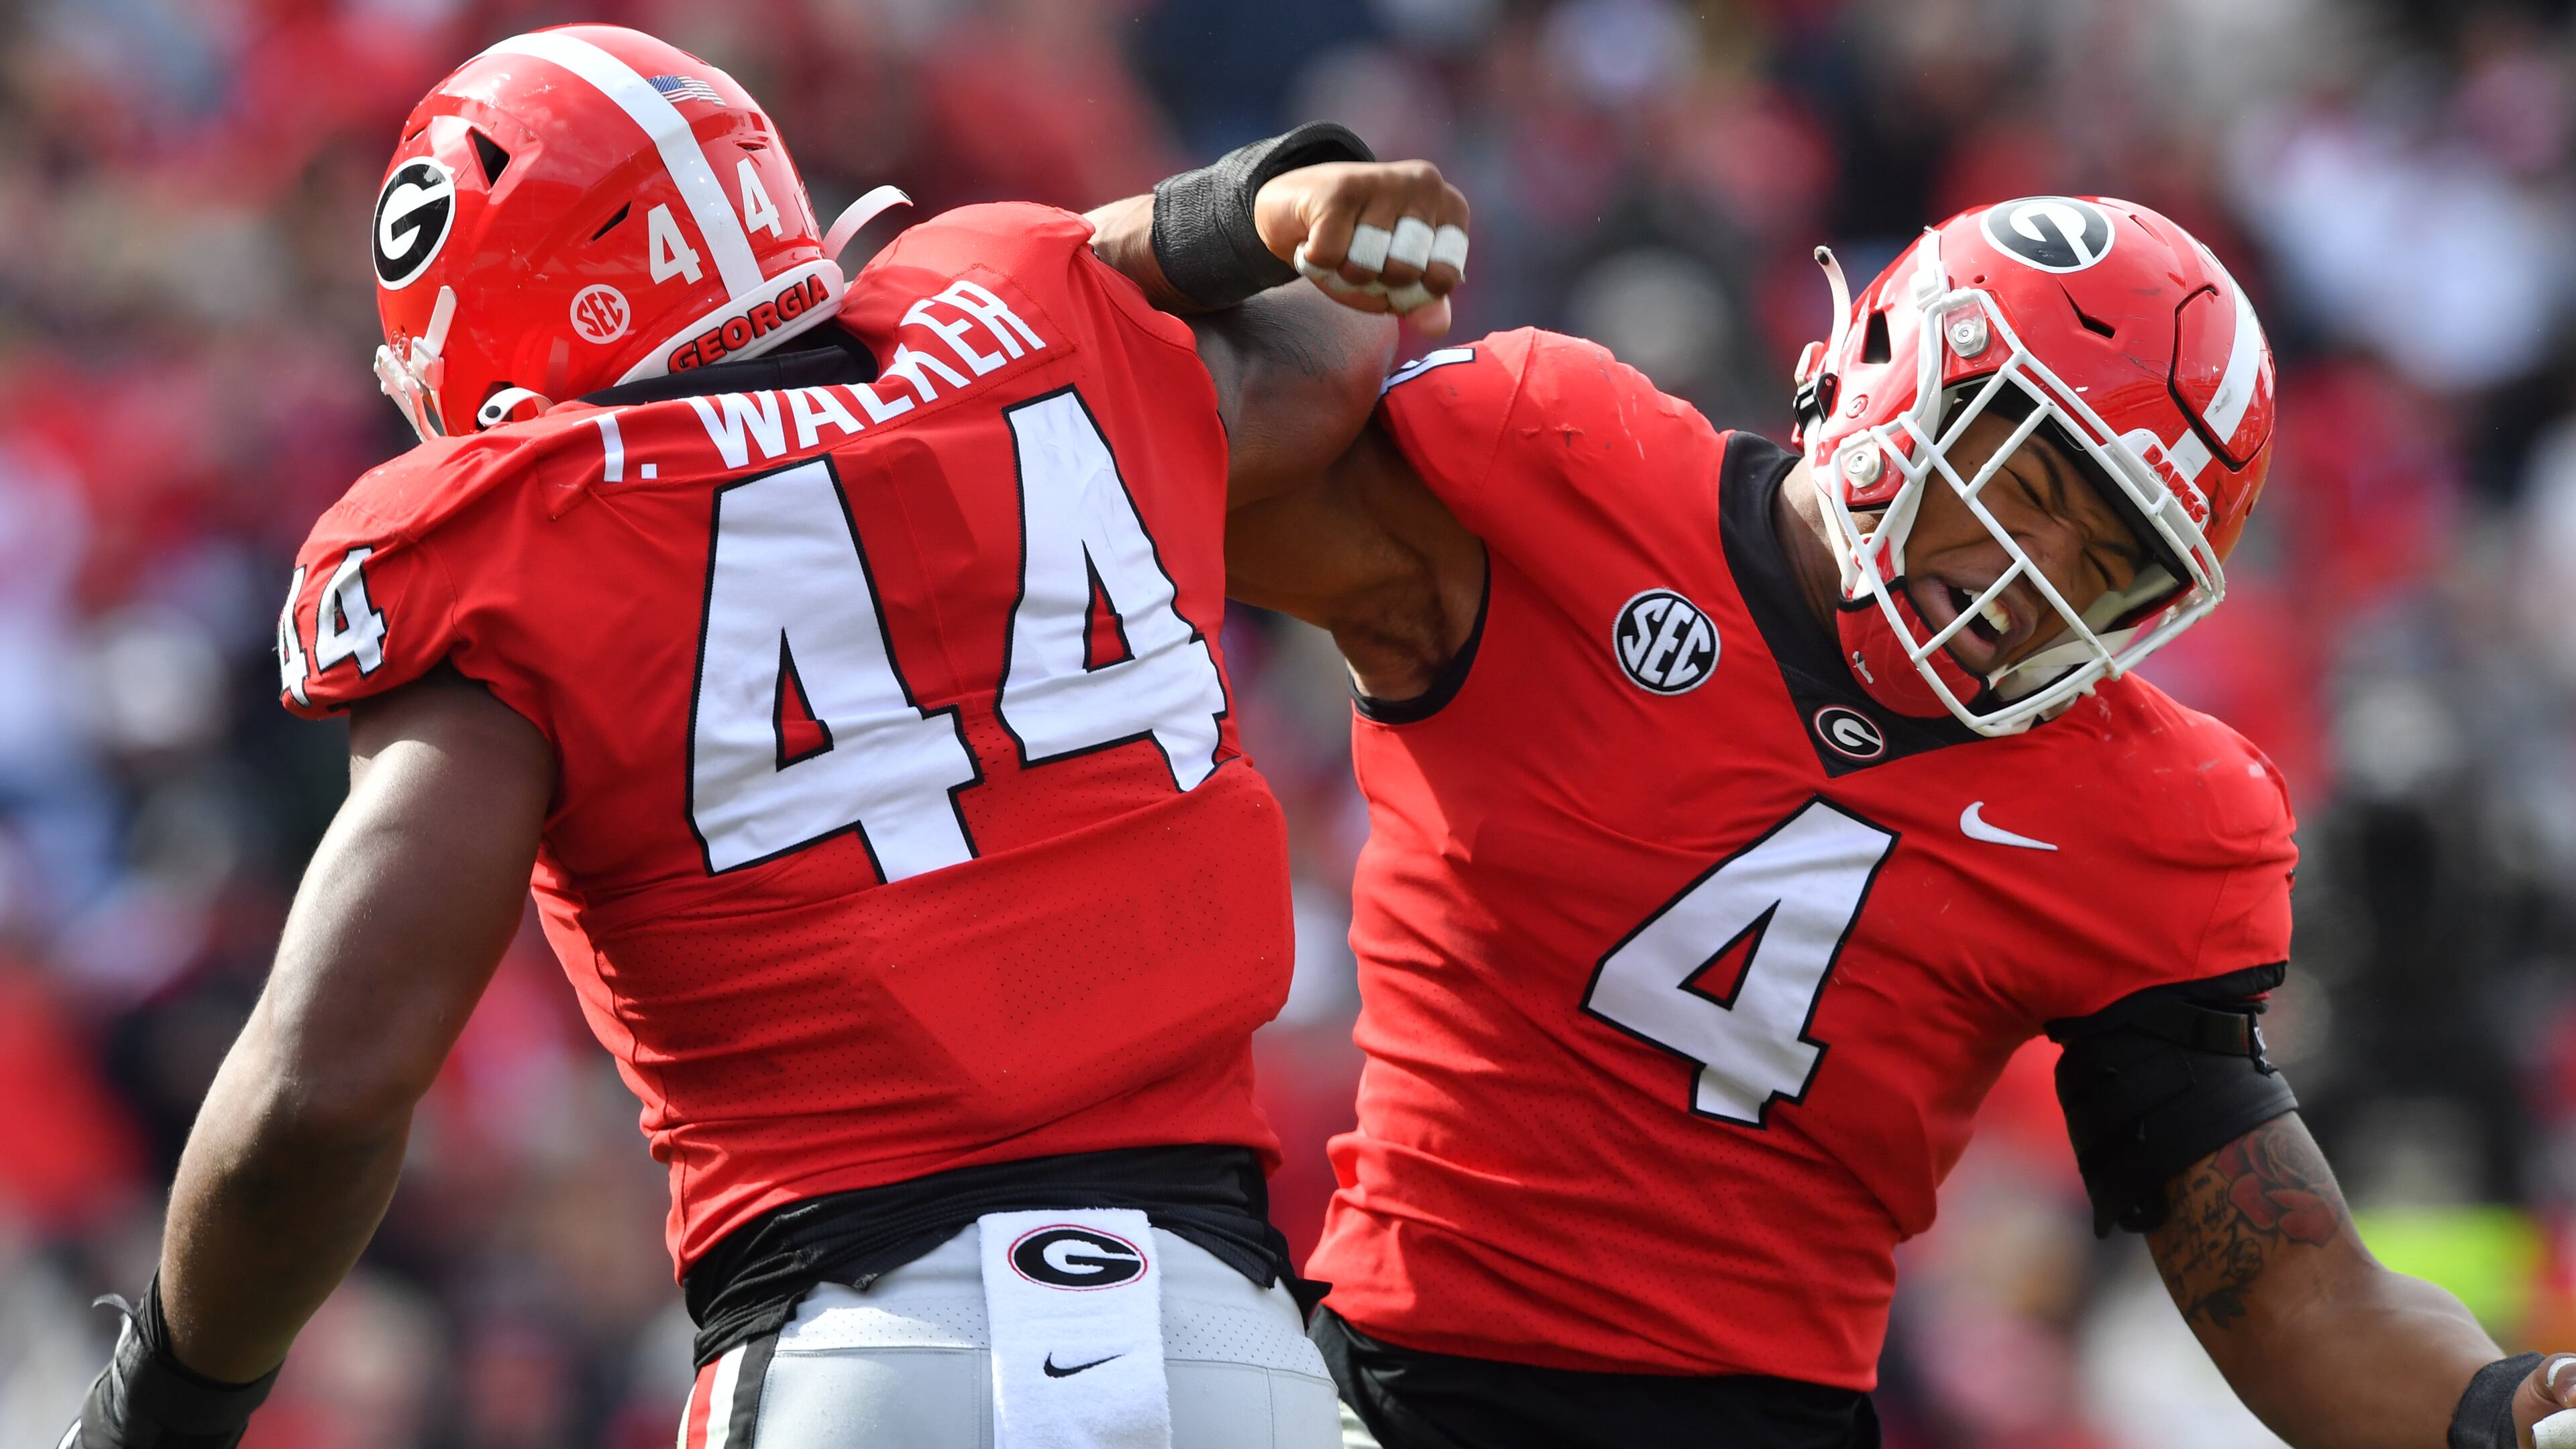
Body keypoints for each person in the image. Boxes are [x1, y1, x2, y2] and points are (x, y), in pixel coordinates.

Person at [66, 23, 1460, 1449]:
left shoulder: (520, 530)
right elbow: (1328, 337)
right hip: (1226, 1349)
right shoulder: (1031, 317)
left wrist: (155, 1410)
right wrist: (1216, 217)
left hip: (856, 1345)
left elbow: (329, 1084)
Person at [1224, 195, 2576, 1449]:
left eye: (2105, 562)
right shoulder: (1568, 468)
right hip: (1409, 1389)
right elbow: (1157, 460)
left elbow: (2288, 1284)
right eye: (2030, 479)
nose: (2028, 574)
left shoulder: (2146, 816)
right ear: (1896, 365)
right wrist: (1252, 225)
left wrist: (2493, 1412)